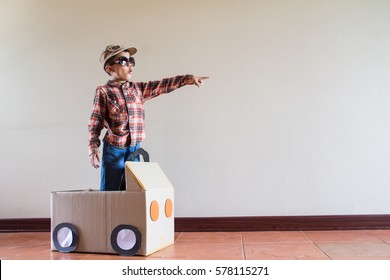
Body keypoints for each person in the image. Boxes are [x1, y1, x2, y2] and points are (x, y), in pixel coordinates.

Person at [88, 44, 209, 191]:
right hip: (114, 151)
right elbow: (95, 122)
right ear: (110, 68)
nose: (130, 65)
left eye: (131, 61)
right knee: (111, 193)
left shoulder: (138, 89)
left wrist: (187, 79)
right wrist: (93, 149)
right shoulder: (104, 92)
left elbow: (162, 85)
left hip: (134, 151)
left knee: (135, 192)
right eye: (123, 61)